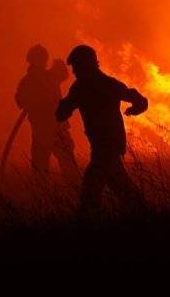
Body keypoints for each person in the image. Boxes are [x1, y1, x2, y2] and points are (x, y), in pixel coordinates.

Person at [55, 44, 148, 217]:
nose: (74, 71)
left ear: (86, 64)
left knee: (90, 195)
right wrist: (136, 108)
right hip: (107, 147)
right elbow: (140, 100)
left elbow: (61, 114)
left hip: (105, 149)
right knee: (124, 191)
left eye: (76, 66)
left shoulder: (84, 87)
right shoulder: (104, 84)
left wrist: (63, 106)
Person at [14, 44, 80, 184]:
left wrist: (58, 63)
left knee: (66, 163)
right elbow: (20, 101)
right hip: (43, 129)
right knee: (41, 166)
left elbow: (64, 73)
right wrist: (33, 101)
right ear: (32, 60)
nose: (42, 61)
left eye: (42, 58)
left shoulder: (50, 75)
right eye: (39, 58)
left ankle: (73, 192)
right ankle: (42, 196)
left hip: (57, 127)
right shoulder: (29, 81)